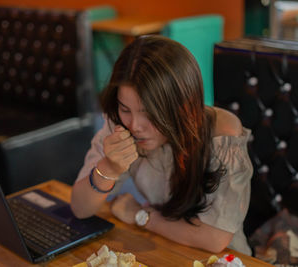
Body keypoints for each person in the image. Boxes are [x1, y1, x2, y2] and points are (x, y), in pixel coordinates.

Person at [70, 35, 253, 255]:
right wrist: (109, 168)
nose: (135, 125)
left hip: (223, 258)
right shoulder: (121, 125)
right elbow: (80, 208)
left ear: (182, 105)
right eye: (125, 109)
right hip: (163, 247)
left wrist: (141, 216)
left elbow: (214, 238)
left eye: (149, 113)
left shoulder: (222, 134)